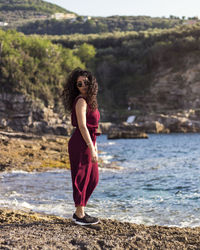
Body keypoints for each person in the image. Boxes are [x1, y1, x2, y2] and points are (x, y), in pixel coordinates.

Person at [62, 68, 101, 226]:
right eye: (79, 84)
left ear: (91, 83)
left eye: (86, 82)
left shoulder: (91, 101)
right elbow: (83, 126)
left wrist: (95, 146)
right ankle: (79, 214)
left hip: (89, 140)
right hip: (81, 142)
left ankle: (80, 210)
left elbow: (93, 128)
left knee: (93, 178)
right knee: (81, 177)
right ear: (76, 87)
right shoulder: (81, 101)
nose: (83, 85)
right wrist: (91, 147)